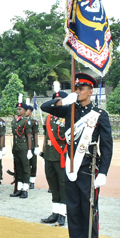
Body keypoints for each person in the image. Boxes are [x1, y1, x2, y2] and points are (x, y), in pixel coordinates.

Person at [41, 73, 113, 238]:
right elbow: (45, 107)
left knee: (89, 214)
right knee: (72, 211)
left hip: (89, 169)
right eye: (76, 88)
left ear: (91, 91)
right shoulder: (69, 111)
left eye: (82, 89)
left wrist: (104, 172)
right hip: (71, 168)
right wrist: (64, 100)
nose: (78, 91)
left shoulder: (99, 114)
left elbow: (107, 147)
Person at [41, 82, 69, 227]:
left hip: (62, 155)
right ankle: (55, 212)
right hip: (49, 155)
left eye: (60, 102)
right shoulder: (49, 118)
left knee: (63, 184)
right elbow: (46, 136)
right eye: (55, 102)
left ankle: (63, 214)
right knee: (52, 183)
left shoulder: (67, 117)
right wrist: (43, 151)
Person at [10, 95, 33, 199]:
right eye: (17, 109)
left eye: (20, 109)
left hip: (23, 146)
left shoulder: (26, 121)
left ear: (25, 111)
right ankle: (19, 189)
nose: (18, 111)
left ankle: (25, 189)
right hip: (16, 147)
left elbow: (29, 136)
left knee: (25, 168)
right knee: (18, 168)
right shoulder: (15, 121)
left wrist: (29, 150)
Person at [25, 101, 40, 189]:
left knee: (33, 163)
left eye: (27, 110)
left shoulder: (34, 122)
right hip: (23, 144)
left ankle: (32, 181)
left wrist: (36, 146)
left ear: (30, 112)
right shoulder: (21, 120)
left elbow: (35, 134)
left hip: (32, 144)